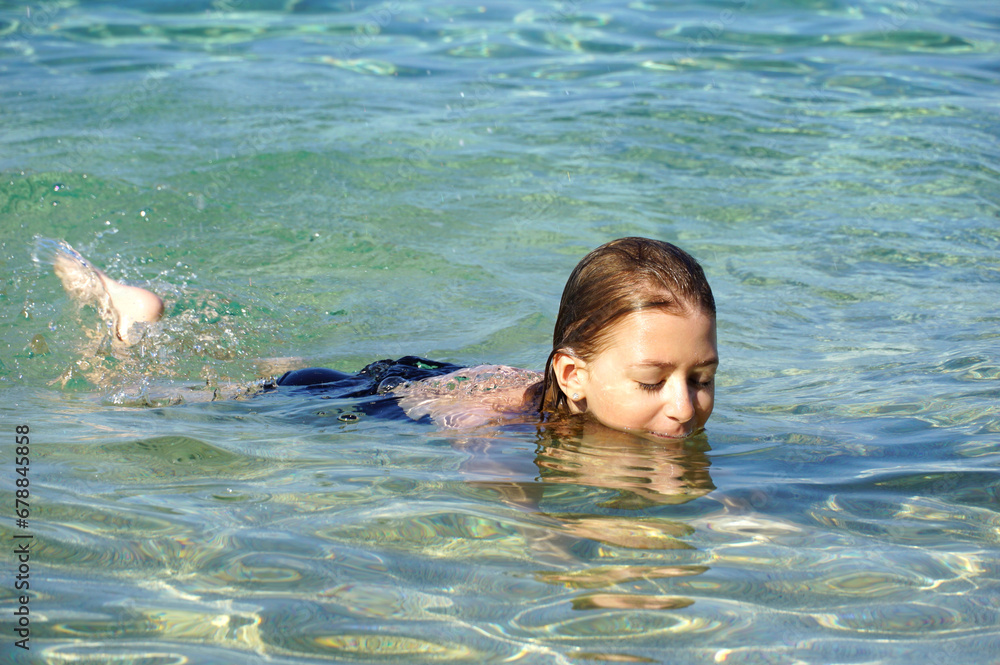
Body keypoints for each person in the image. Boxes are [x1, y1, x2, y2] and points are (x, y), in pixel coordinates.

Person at [39, 236, 718, 440]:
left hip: (416, 377)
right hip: (369, 404)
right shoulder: (512, 423)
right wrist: (545, 531)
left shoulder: (597, 404)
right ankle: (125, 320)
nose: (685, 405)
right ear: (575, 376)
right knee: (133, 398)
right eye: (653, 381)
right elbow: (490, 468)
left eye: (703, 377)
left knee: (295, 367)